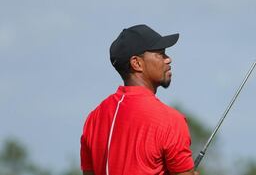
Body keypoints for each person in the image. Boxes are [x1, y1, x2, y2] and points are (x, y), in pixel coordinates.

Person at [80, 24, 199, 175]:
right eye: (160, 54)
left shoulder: (93, 119)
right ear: (136, 63)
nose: (168, 59)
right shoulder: (171, 120)